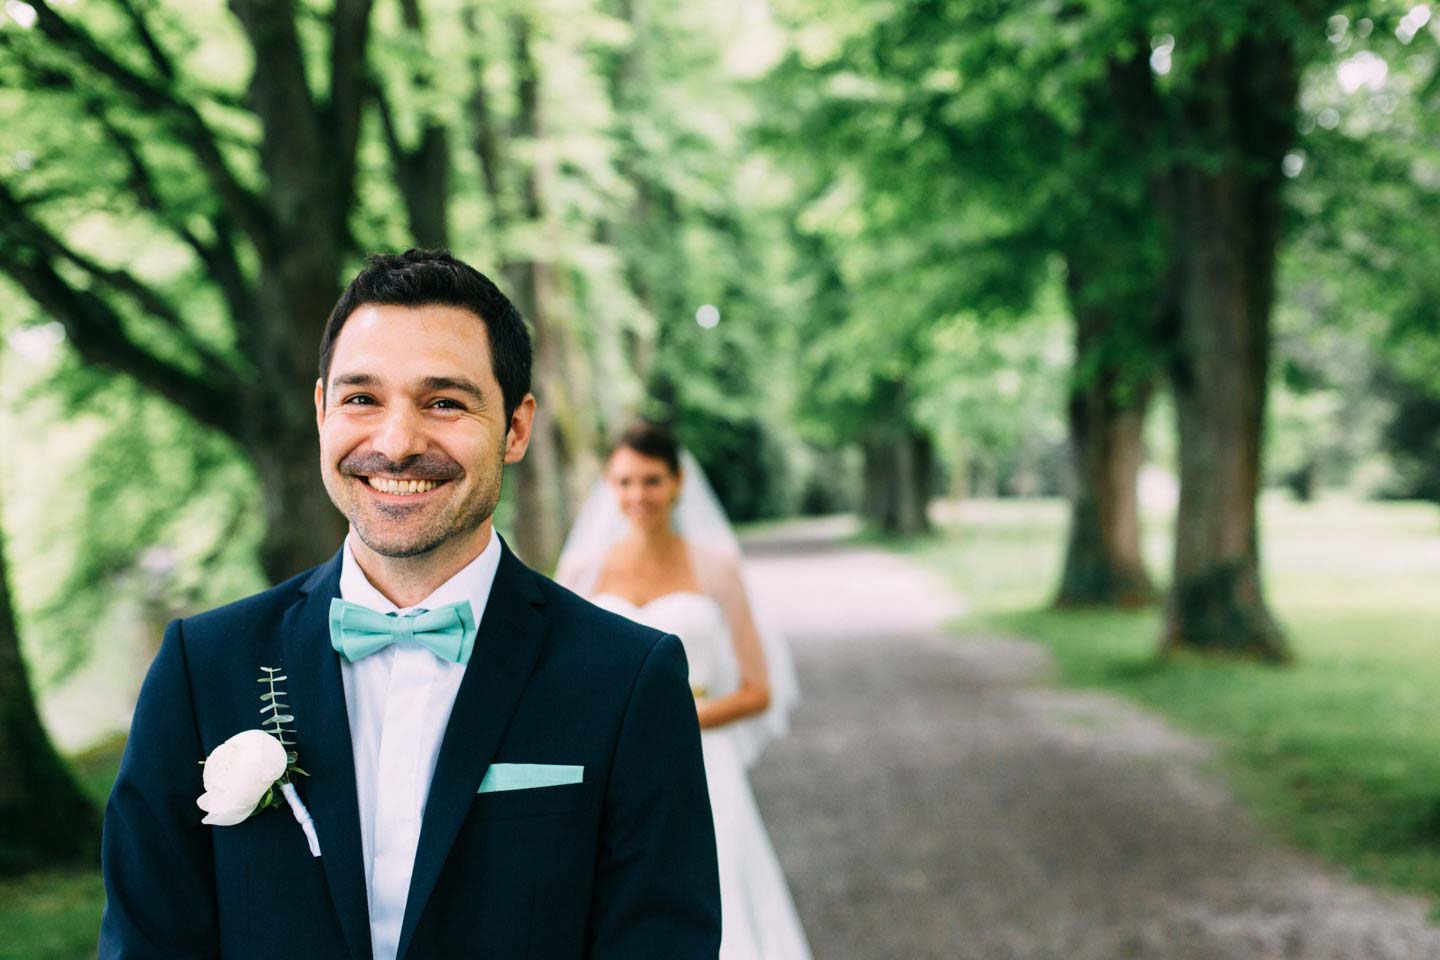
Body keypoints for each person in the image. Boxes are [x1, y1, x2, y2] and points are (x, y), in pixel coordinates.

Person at [98, 250, 721, 959]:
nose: (396, 444)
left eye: (444, 402)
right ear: (320, 410)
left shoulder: (630, 678)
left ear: (516, 429)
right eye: (362, 398)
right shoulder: (199, 669)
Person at [556, 422, 812, 960]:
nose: (637, 496)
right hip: (608, 766)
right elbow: (561, 681)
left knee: (713, 897)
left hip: (703, 761)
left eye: (651, 481)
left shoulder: (717, 568)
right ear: (608, 486)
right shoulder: (581, 572)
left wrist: (672, 722)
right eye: (624, 482)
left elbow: (757, 689)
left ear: (677, 483)